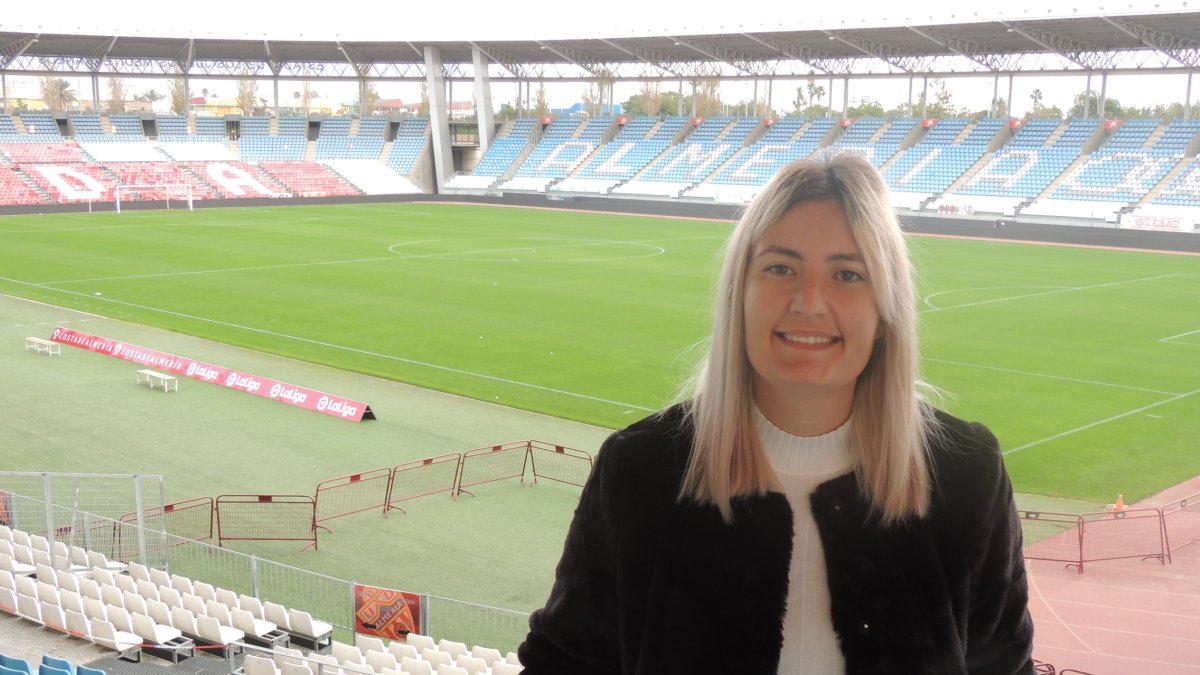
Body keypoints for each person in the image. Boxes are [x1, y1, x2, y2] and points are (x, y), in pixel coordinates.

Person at [518, 155, 1034, 674]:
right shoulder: (639, 472)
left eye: (848, 274)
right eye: (780, 268)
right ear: (739, 294)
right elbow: (562, 664)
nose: (810, 302)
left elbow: (1004, 666)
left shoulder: (967, 475)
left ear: (885, 312)